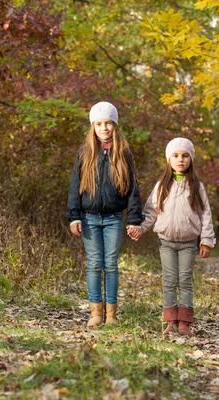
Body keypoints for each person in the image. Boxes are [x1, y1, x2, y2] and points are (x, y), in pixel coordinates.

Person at [67, 101, 143, 328]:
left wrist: (135, 219)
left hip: (113, 219)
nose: (104, 128)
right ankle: (95, 312)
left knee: (110, 264)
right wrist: (74, 216)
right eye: (99, 123)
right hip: (89, 218)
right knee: (93, 264)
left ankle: (111, 314)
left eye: (108, 123)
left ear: (115, 125)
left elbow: (133, 188)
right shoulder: (85, 153)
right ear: (93, 126)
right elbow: (75, 186)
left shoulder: (123, 154)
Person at [128, 138, 215, 336]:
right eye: (175, 156)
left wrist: (206, 240)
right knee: (169, 280)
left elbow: (206, 214)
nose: (180, 159)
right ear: (169, 159)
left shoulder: (196, 186)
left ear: (191, 159)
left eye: (185, 156)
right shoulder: (161, 186)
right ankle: (170, 321)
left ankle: (184, 321)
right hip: (165, 242)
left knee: (184, 280)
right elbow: (151, 212)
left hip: (188, 243)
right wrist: (140, 228)